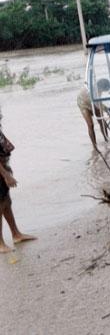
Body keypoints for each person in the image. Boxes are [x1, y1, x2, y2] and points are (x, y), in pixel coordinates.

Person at [0, 109, 36, 254]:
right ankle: (0, 244)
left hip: (3, 166)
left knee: (6, 202)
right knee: (0, 205)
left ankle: (16, 234)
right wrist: (6, 175)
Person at [77, 80, 110, 149]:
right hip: (83, 103)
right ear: (101, 87)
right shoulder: (93, 90)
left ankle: (106, 139)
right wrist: (107, 110)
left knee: (102, 122)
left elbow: (98, 103)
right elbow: (98, 104)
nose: (103, 92)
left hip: (93, 102)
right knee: (90, 125)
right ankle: (94, 146)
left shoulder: (98, 90)